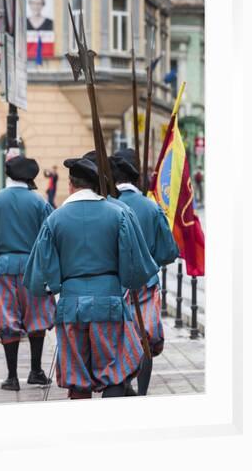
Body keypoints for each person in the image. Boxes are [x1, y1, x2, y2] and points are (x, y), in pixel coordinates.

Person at [24, 157, 159, 399]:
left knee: (77, 377)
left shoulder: (55, 219)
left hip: (71, 303)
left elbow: (40, 273)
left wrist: (52, 287)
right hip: (109, 300)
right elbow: (135, 267)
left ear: (70, 184)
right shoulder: (117, 214)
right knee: (116, 371)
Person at [0, 155, 56, 391]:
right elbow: (50, 240)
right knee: (37, 317)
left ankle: (12, 377)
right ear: (30, 177)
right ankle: (36, 371)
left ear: (8, 174)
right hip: (34, 268)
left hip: (3, 268)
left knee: (7, 318)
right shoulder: (40, 203)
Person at [109, 149, 179, 395]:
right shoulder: (151, 207)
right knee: (144, 339)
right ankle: (142, 392)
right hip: (146, 285)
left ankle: (124, 383)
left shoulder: (107, 205)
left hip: (113, 284)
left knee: (119, 338)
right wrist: (150, 259)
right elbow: (169, 251)